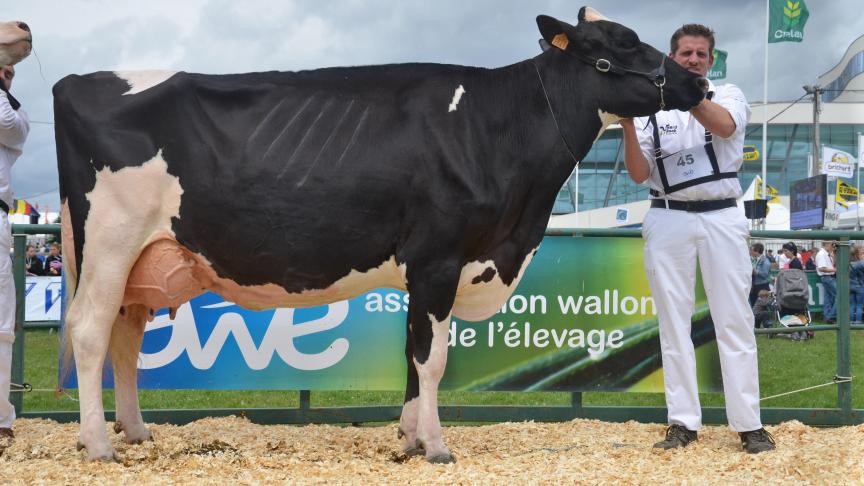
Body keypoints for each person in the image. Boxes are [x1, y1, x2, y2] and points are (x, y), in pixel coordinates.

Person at [620, 23, 774, 453]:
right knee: (674, 324)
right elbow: (638, 173)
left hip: (721, 216)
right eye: (685, 53)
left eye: (700, 54)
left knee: (734, 320)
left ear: (710, 60)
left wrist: (689, 95)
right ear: (671, 58)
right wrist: (630, 127)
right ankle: (683, 422)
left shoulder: (727, 94)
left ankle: (748, 423)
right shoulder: (652, 110)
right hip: (667, 217)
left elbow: (724, 127)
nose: (693, 59)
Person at [0, 63, 29, 444]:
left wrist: (1, 88)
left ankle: (1, 417)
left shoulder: (15, 111)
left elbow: (8, 125)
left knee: (1, 325)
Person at [814, 241, 837, 324]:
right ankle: (832, 316)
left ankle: (827, 317)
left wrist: (833, 255)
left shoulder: (827, 254)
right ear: (826, 244)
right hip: (827, 277)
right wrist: (835, 270)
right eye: (832, 245)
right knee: (840, 296)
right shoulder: (821, 254)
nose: (833, 246)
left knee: (828, 298)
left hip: (828, 277)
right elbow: (821, 268)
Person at [750, 243, 772, 307]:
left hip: (762, 286)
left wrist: (755, 271)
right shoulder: (754, 259)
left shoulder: (765, 261)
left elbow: (765, 274)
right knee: (754, 305)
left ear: (757, 250)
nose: (751, 252)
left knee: (762, 306)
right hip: (754, 286)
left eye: (752, 250)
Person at [850, 245, 864, 324]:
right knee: (859, 305)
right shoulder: (861, 264)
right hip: (859, 286)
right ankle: (858, 321)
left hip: (850, 286)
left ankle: (851, 321)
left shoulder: (850, 263)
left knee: (852, 305)